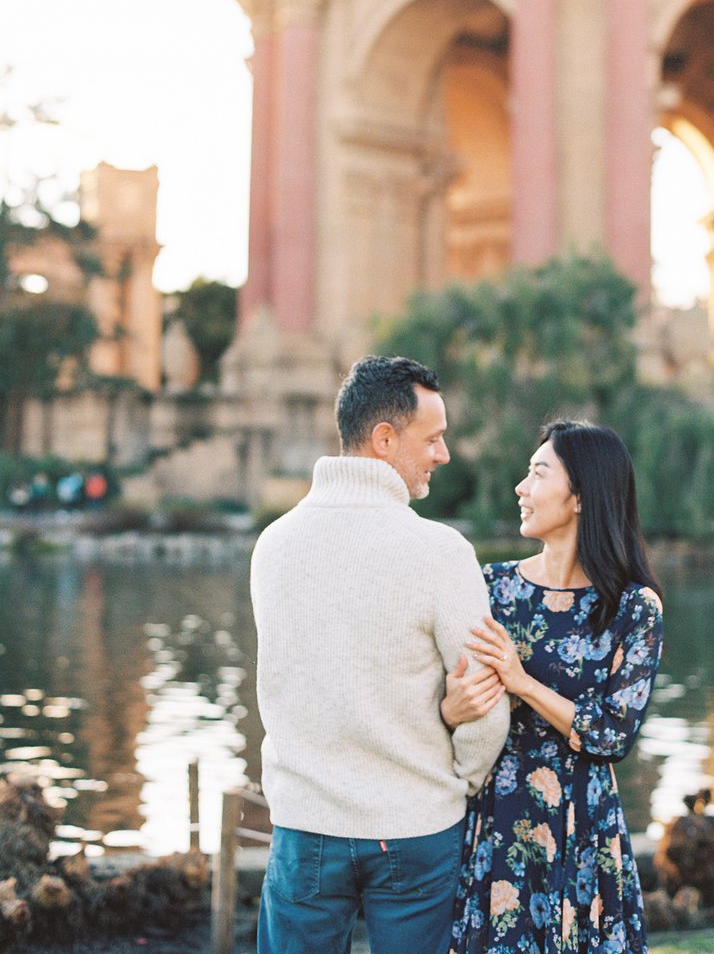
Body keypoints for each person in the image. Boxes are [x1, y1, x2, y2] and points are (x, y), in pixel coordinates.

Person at [251, 355, 510, 954]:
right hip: (415, 827)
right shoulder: (439, 551)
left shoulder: (273, 545)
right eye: (434, 438)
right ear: (385, 438)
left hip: (304, 827)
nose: (443, 454)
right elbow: (488, 703)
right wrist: (458, 781)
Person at [447, 419, 664, 954]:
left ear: (582, 498)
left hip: (582, 828)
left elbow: (612, 735)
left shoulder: (633, 608)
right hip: (497, 819)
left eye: (538, 474)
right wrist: (451, 710)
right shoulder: (489, 588)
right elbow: (441, 702)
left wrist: (522, 682)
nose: (521, 489)